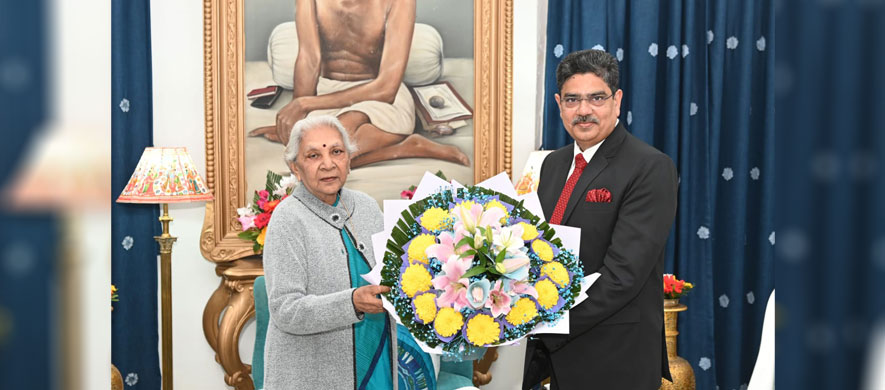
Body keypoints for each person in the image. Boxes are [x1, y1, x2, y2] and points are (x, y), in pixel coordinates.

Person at [522, 49, 678, 389]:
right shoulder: (552, 164)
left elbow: (623, 276)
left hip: (615, 358)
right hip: (552, 355)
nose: (584, 111)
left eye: (596, 98)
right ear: (558, 103)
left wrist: (546, 324)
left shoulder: (649, 167)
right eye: (572, 99)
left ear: (617, 100)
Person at [249, 0, 470, 168]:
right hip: (326, 92)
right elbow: (309, 59)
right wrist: (298, 117)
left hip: (379, 96)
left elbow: (386, 87)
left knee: (322, 155)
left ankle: (411, 147)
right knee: (316, 157)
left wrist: (305, 104)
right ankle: (406, 147)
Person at [261, 115, 395, 389]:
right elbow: (286, 310)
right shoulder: (287, 219)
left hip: (377, 358)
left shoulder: (367, 207)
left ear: (349, 159)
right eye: (313, 155)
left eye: (336, 151)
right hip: (312, 376)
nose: (328, 163)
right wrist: (352, 303)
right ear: (295, 168)